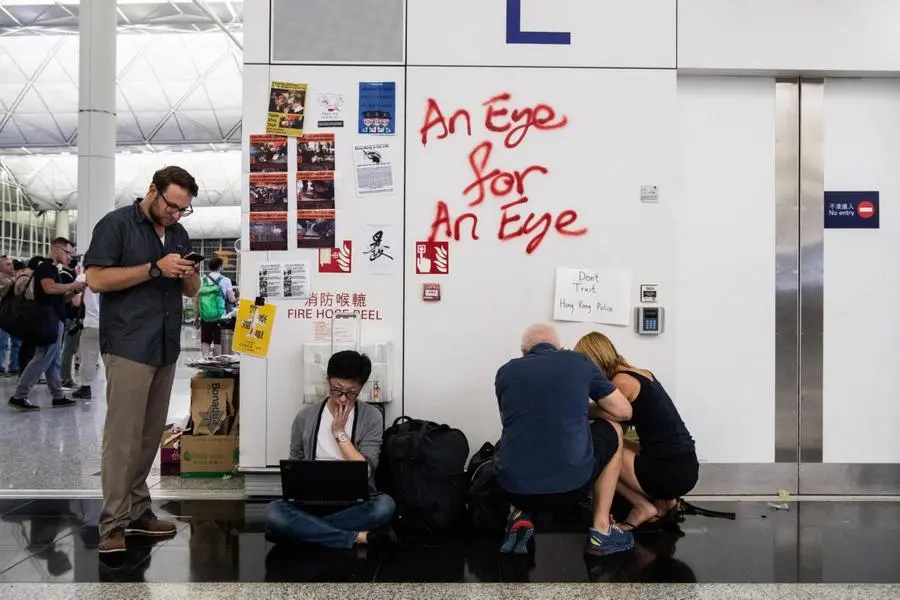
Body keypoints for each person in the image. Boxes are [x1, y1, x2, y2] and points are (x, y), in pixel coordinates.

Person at [84, 165, 201, 555]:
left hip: (166, 347)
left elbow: (191, 290)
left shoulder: (180, 233)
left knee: (150, 436)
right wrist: (155, 268)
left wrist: (186, 273)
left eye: (183, 210)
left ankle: (137, 511)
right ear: (152, 191)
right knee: (122, 439)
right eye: (172, 206)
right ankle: (112, 523)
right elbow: (97, 279)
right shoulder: (116, 225)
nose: (176, 215)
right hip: (129, 345)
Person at [494, 324, 635, 557]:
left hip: (515, 489)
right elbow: (623, 411)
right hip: (574, 487)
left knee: (513, 437)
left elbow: (507, 420)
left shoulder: (505, 372)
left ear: (523, 351)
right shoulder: (579, 362)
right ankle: (601, 531)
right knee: (614, 429)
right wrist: (584, 410)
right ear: (559, 348)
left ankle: (519, 515)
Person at [265, 350, 396, 550]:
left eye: (351, 392)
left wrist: (339, 432)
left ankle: (299, 532)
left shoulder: (371, 416)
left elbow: (366, 470)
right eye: (337, 390)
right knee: (273, 511)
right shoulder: (305, 416)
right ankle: (354, 538)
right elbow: (296, 463)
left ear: (360, 388)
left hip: (354, 504)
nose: (342, 399)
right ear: (328, 382)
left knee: (385, 505)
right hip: (310, 502)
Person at [574, 332, 699, 532]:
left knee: (604, 450)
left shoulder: (621, 384)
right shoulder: (640, 373)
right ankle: (664, 503)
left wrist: (578, 407)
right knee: (621, 440)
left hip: (670, 473)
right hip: (685, 464)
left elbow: (606, 413)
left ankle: (642, 507)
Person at [8, 241, 84, 411]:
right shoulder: (46, 268)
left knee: (53, 360)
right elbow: (49, 289)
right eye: (67, 252)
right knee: (43, 358)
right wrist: (72, 285)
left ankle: (57, 395)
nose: (69, 257)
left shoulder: (53, 270)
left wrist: (73, 292)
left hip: (55, 318)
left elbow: (58, 298)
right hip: (49, 320)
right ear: (56, 249)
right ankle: (19, 395)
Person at [194, 257, 236, 358]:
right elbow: (231, 299)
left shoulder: (202, 280)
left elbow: (196, 300)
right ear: (221, 267)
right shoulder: (225, 280)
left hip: (205, 316)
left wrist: (197, 317)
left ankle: (205, 360)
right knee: (218, 340)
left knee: (205, 339)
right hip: (220, 317)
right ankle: (216, 362)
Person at [72, 269, 100, 400]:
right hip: (111, 324)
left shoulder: (82, 278)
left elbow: (76, 302)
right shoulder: (112, 276)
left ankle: (85, 387)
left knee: (88, 357)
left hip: (91, 323)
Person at [59, 259, 84, 389]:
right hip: (73, 317)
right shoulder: (70, 277)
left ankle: (62, 377)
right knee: (69, 349)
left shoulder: (62, 274)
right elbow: (75, 302)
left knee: (66, 349)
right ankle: (65, 378)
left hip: (67, 316)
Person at [0, 255, 21, 376]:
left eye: (11, 263)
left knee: (17, 341)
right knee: (2, 342)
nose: (11, 265)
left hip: (14, 314)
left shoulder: (15, 278)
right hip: (3, 314)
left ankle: (15, 365)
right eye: (7, 264)